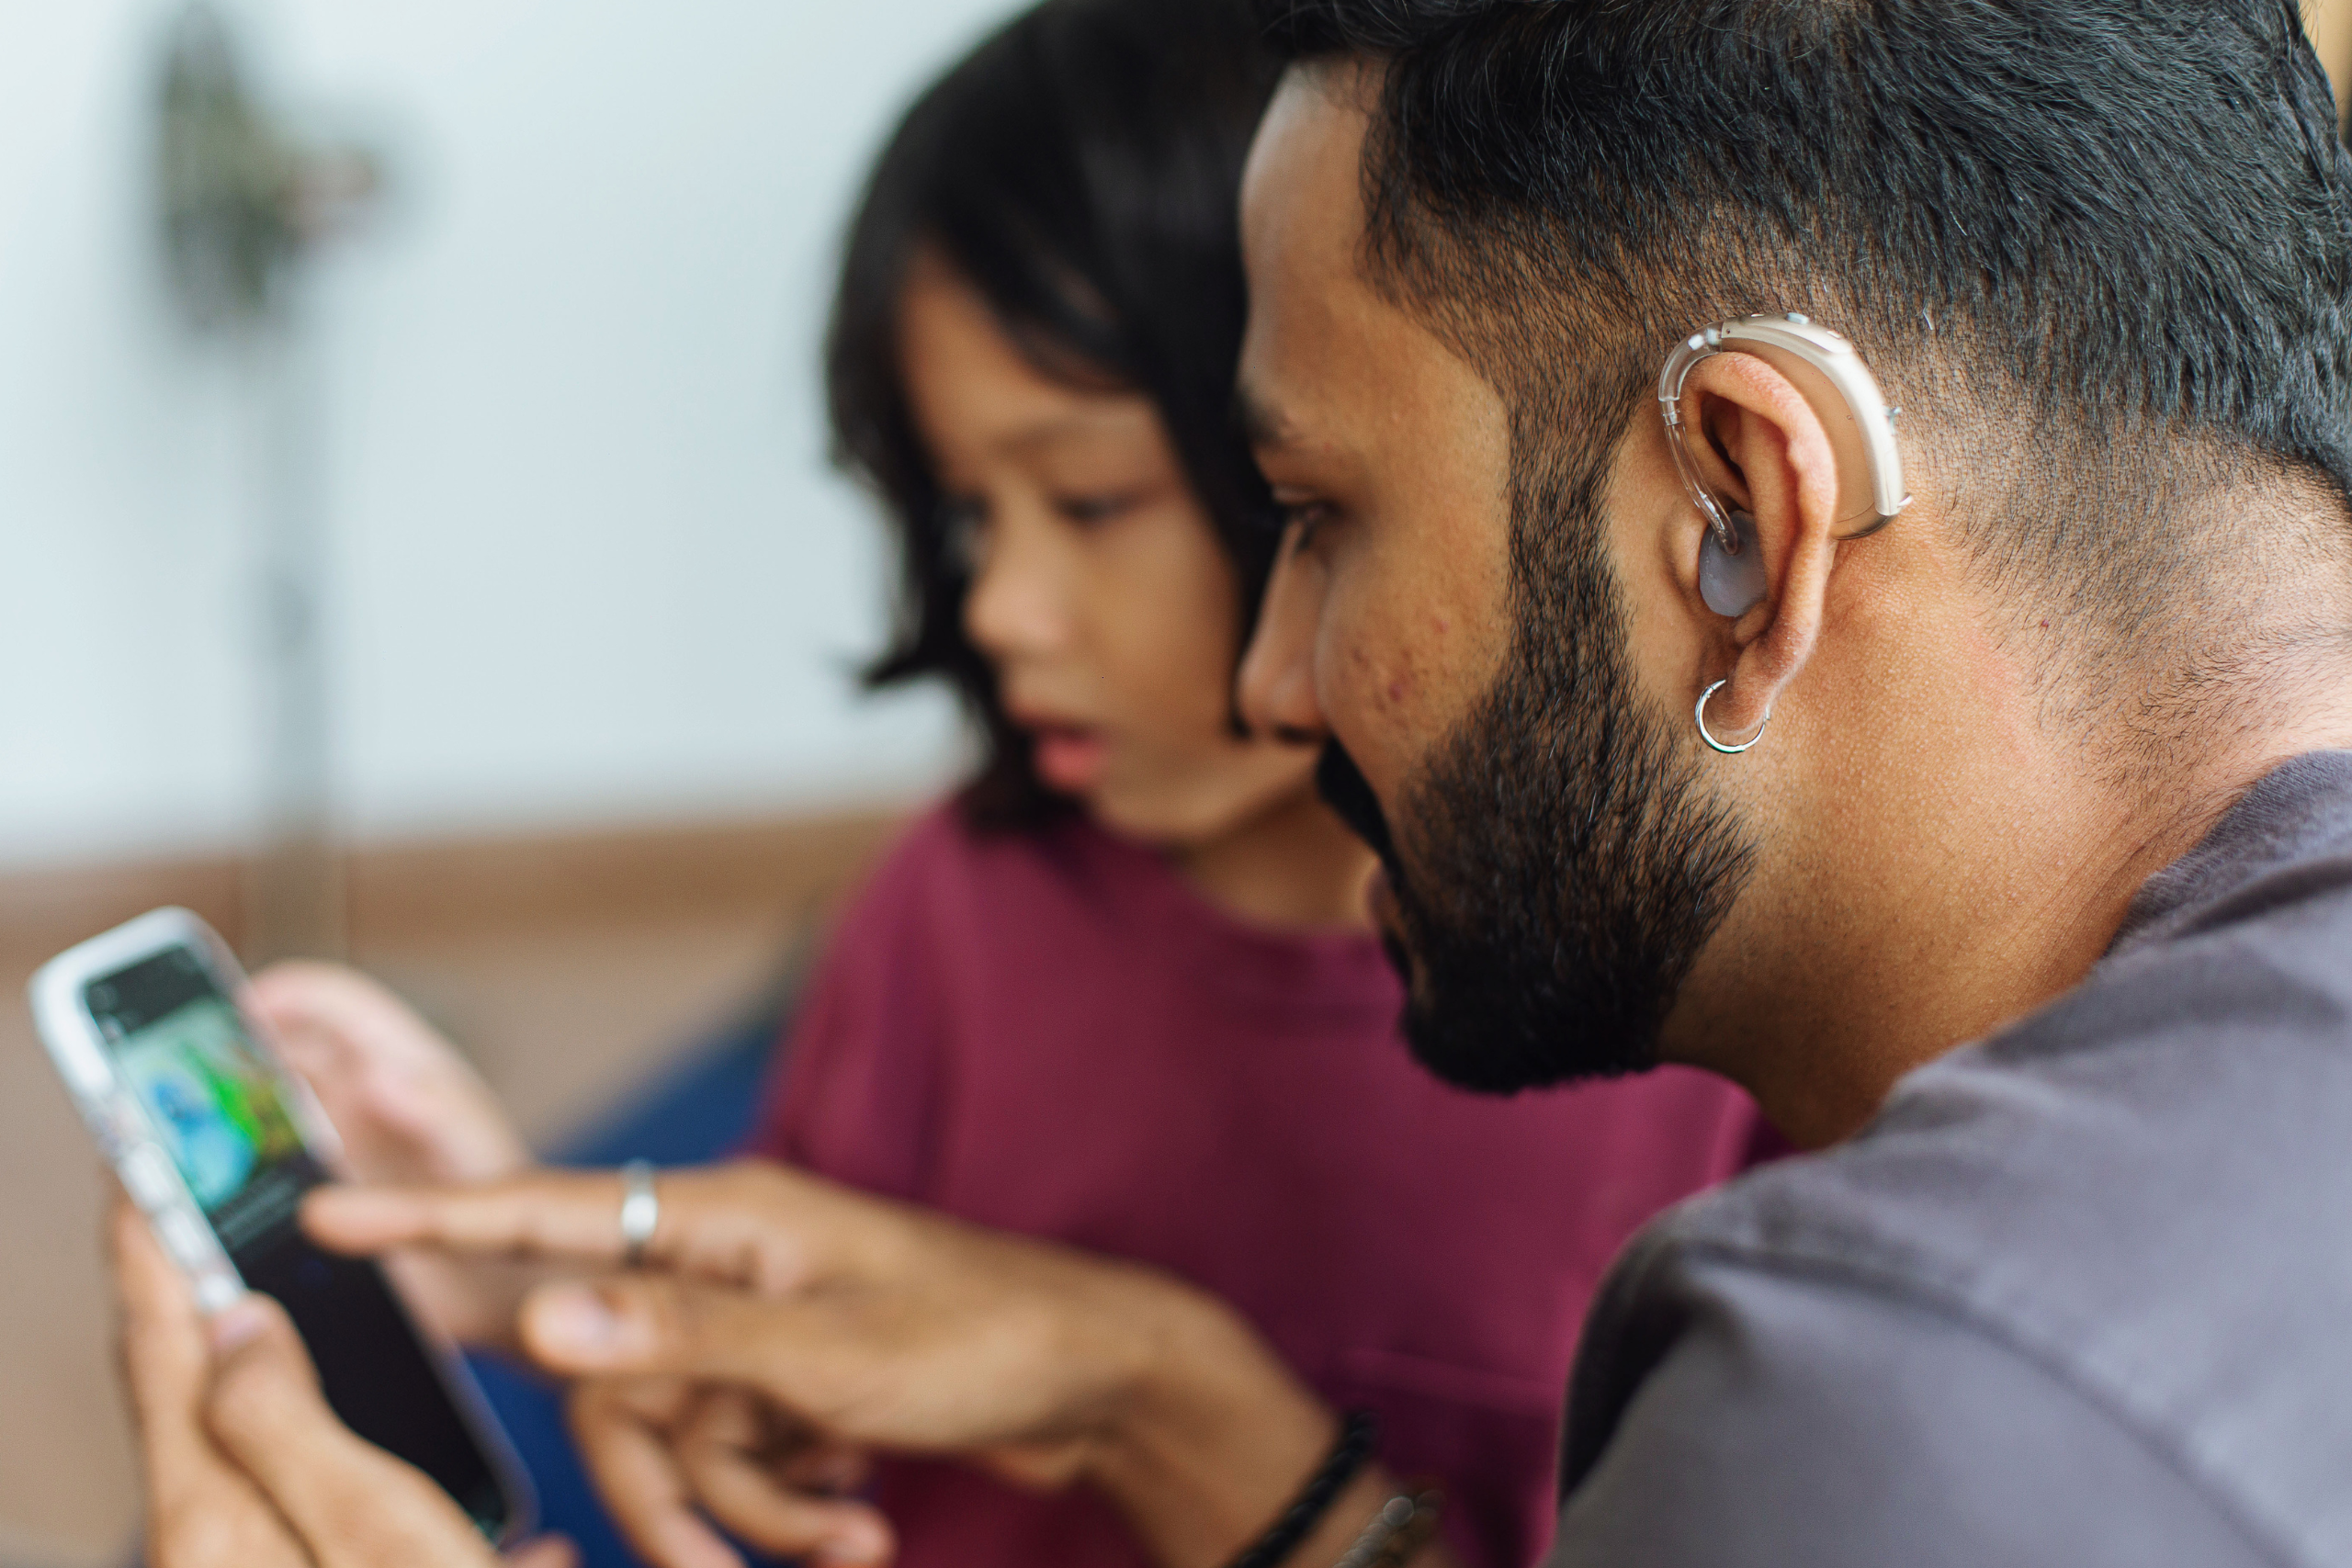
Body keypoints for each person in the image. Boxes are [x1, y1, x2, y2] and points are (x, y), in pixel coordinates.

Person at [120, 0, 2352, 1562]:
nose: (1278, 680)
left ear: (1743, 518)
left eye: (1312, 511)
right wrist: (1143, 1387)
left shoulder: (1893, 1398)